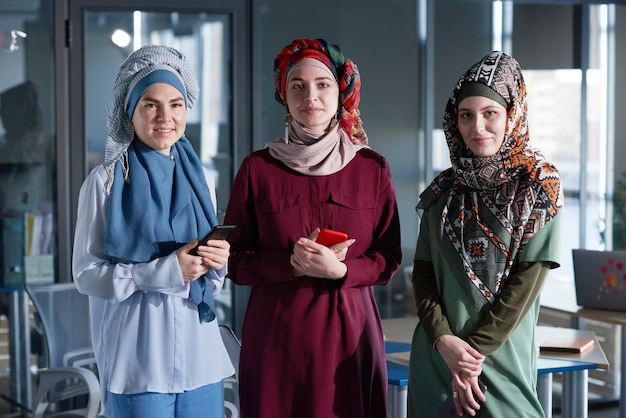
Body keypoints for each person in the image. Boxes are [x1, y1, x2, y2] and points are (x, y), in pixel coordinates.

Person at [223, 38, 402, 418]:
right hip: (276, 340)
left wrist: (342, 271)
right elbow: (234, 261)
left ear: (341, 92)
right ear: (283, 96)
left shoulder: (372, 168)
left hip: (350, 336)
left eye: (322, 84)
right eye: (297, 86)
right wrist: (288, 266)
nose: (311, 96)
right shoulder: (258, 169)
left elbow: (388, 258)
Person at [72, 44, 234, 418]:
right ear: (131, 111)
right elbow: (85, 275)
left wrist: (218, 261)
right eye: (151, 104)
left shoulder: (202, 180)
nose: (166, 116)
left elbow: (206, 277)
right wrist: (164, 271)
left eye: (176, 104)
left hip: (200, 357)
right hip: (139, 361)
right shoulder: (105, 183)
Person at [407, 51, 564, 418]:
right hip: (436, 358)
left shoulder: (539, 191)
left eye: (490, 113)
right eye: (466, 115)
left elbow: (524, 288)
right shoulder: (441, 193)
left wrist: (468, 358)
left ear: (512, 115)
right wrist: (444, 342)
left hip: (497, 361)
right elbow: (424, 273)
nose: (477, 127)